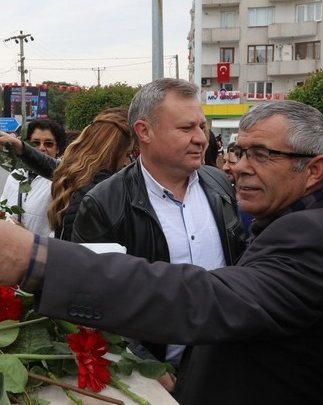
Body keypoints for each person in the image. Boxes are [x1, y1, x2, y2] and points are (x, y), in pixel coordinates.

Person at [0, 100, 323, 405]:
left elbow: (203, 296)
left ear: (314, 170)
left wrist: (38, 260)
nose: (236, 166)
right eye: (239, 151)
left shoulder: (316, 237)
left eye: (261, 154)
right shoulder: (106, 198)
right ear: (143, 133)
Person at [71, 78, 245, 378]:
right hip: (162, 376)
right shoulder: (103, 204)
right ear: (144, 132)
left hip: (229, 364)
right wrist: (144, 366)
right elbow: (92, 301)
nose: (201, 138)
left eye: (201, 127)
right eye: (186, 128)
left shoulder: (219, 185)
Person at [48, 107, 133, 240]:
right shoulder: (101, 192)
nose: (127, 163)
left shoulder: (73, 176)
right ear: (113, 153)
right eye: (127, 154)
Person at [0, 119, 66, 236]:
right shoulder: (15, 176)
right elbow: (1, 209)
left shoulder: (63, 179)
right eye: (35, 143)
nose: (41, 148)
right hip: (12, 248)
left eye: (48, 144)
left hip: (44, 251)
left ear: (58, 148)